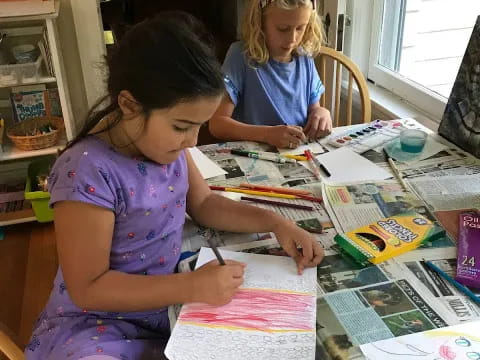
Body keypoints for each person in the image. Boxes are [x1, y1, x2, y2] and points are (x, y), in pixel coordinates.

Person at [25, 13, 324, 360]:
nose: (192, 141)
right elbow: (88, 289)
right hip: (96, 323)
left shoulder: (168, 147)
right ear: (129, 105)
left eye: (198, 126)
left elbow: (205, 204)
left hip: (166, 306)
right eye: (182, 126)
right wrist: (190, 286)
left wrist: (276, 223)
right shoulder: (87, 171)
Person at [209, 0, 332, 149]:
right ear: (260, 22)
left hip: (298, 155)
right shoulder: (241, 56)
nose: (292, 39)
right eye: (282, 28)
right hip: (255, 156)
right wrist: (267, 134)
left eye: (300, 28)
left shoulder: (305, 58)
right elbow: (217, 124)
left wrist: (321, 112)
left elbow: (314, 109)